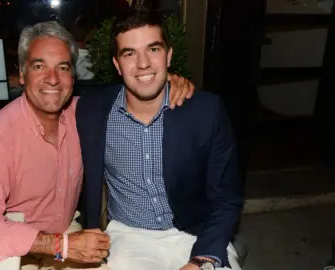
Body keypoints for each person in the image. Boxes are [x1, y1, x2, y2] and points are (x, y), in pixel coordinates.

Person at [0, 20, 195, 269]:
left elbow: (132, 91)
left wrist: (163, 81)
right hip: (16, 252)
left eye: (62, 67)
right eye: (39, 66)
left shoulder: (83, 114)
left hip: (70, 235)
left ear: (73, 76)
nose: (52, 79)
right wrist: (59, 245)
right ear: (21, 73)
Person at [76, 8, 243, 270]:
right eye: (130, 53)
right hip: (130, 237)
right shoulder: (91, 110)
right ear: (117, 65)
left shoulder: (206, 111)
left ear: (169, 56)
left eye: (153, 49)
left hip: (197, 233)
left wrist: (202, 259)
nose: (143, 64)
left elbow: (227, 200)